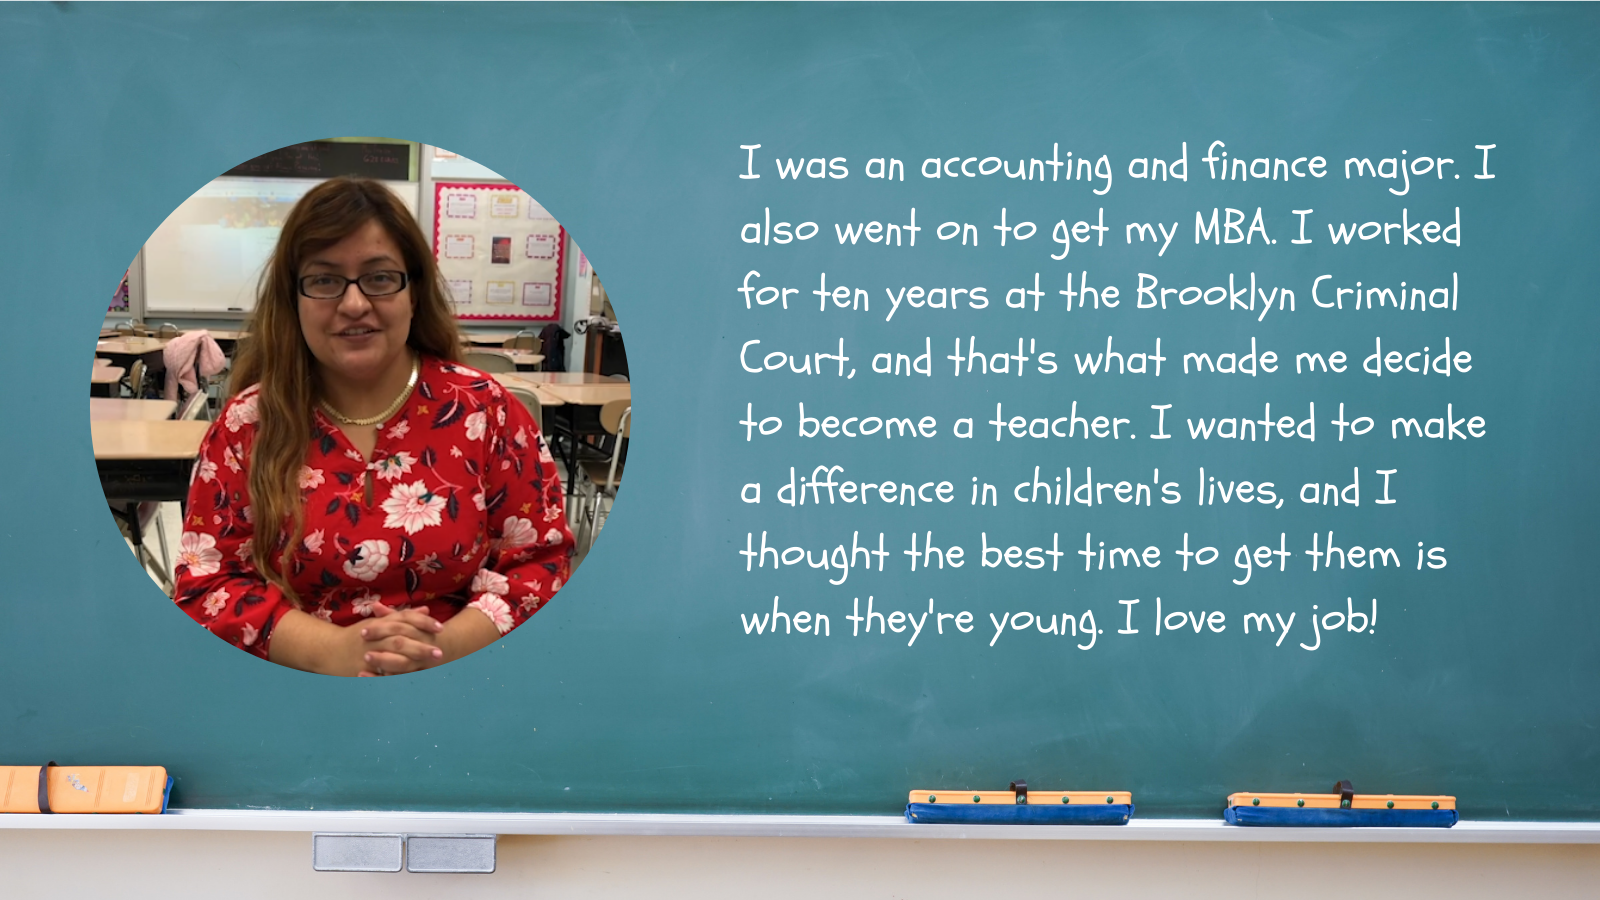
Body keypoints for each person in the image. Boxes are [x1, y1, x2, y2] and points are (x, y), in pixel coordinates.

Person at [172, 177, 574, 676]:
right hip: (292, 684)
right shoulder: (246, 425)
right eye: (324, 280)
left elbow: (540, 563)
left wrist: (438, 651)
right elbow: (208, 583)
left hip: (463, 677)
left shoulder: (484, 410)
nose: (355, 304)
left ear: (415, 291)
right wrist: (334, 652)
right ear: (292, 300)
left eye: (380, 278)